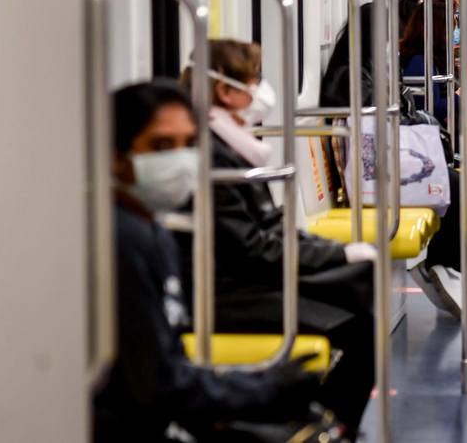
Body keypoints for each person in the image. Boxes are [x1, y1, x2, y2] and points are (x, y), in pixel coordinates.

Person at [95, 81, 321, 441]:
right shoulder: (123, 242)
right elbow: (157, 384)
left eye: (189, 145)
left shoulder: (153, 230)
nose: (181, 161)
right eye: (161, 146)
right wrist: (261, 390)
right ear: (116, 157)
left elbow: (169, 363)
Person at [175, 41, 376, 434]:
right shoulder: (213, 154)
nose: (261, 90)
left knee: (355, 294)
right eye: (255, 80)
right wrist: (336, 256)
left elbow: (265, 228)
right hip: (221, 292)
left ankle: (323, 422)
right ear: (225, 90)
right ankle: (324, 426)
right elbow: (250, 247)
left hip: (241, 276)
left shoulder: (230, 146)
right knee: (357, 327)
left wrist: (330, 252)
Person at [319, 2, 467, 319]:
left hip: (390, 155)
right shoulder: (351, 75)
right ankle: (443, 265)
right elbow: (376, 124)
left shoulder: (377, 69)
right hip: (376, 166)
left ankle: (447, 267)